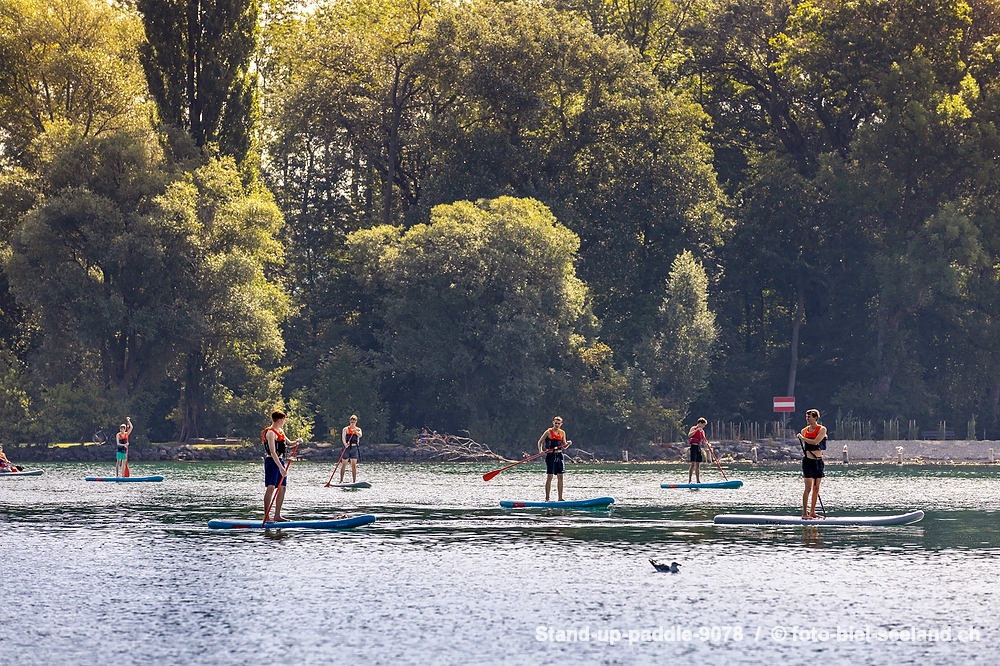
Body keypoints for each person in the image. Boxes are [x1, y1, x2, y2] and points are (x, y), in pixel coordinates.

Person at [263, 410, 303, 522]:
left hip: (280, 460)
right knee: (271, 487)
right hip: (272, 461)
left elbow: (289, 443)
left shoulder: (280, 431)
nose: (284, 422)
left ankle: (277, 516)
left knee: (282, 488)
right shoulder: (270, 433)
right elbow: (272, 452)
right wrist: (281, 468)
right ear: (279, 420)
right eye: (283, 420)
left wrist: (297, 441)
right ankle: (266, 517)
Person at [796, 409, 827, 519]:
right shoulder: (805, 430)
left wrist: (802, 438)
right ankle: (804, 513)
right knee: (808, 488)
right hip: (808, 462)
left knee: (816, 488)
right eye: (806, 417)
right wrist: (803, 437)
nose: (807, 419)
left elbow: (815, 442)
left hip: (818, 462)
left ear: (815, 418)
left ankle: (812, 512)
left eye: (809, 417)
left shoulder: (822, 429)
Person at [537, 416, 572, 501]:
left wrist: (568, 444)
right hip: (550, 456)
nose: (557, 425)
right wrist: (541, 450)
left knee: (560, 477)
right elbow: (540, 441)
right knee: (550, 476)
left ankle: (560, 498)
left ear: (561, 424)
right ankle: (547, 498)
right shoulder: (548, 432)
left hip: (559, 456)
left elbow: (564, 446)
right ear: (553, 423)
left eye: (558, 423)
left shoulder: (562, 433)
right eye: (555, 423)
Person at [340, 415, 362, 484]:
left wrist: (355, 431)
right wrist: (345, 444)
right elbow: (343, 437)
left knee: (353, 465)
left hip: (354, 448)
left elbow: (360, 435)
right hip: (347, 448)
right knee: (344, 464)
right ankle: (341, 480)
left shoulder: (358, 429)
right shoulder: (345, 429)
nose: (352, 423)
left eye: (354, 422)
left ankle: (354, 481)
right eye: (351, 422)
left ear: (356, 422)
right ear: (350, 421)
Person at [687, 418, 709, 483]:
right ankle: (690, 480)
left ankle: (698, 480)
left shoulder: (702, 431)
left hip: (698, 447)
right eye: (703, 425)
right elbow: (689, 435)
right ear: (700, 423)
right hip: (693, 446)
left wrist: (708, 445)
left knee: (698, 464)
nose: (704, 426)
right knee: (693, 464)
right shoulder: (693, 428)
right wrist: (696, 430)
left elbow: (704, 440)